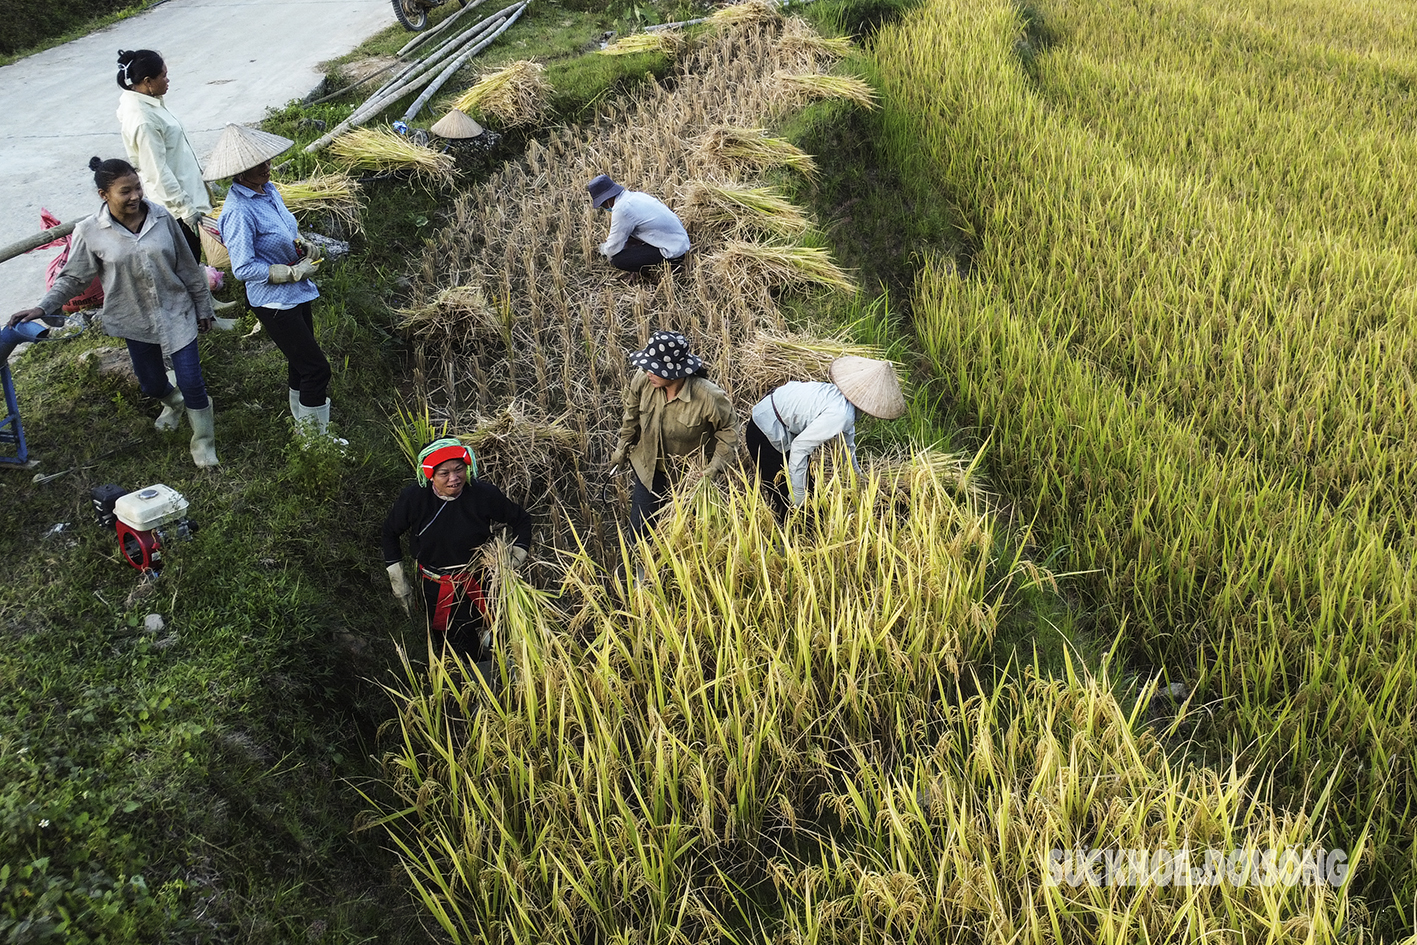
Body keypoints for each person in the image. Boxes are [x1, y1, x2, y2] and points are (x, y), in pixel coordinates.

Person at [9, 157, 218, 467]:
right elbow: (73, 278)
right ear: (103, 195)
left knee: (191, 381)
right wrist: (43, 306)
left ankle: (203, 445)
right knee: (150, 383)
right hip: (133, 318)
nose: (135, 196)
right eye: (125, 191)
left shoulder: (161, 218)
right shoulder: (90, 231)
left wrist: (204, 307)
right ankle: (174, 404)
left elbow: (188, 267)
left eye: (138, 188)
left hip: (177, 311)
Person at [207, 123, 343, 445]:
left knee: (300, 365)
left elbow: (286, 230)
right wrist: (289, 272)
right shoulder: (239, 211)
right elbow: (242, 268)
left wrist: (302, 245)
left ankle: (303, 428)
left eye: (266, 160)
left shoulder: (270, 192)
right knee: (316, 370)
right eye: (258, 164)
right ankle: (316, 443)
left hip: (296, 293)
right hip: (274, 302)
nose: (267, 167)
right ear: (240, 172)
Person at [382, 438, 533, 660]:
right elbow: (389, 533)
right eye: (444, 473)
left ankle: (497, 671)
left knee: (497, 631)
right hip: (436, 587)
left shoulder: (483, 495)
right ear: (430, 475)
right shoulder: (414, 499)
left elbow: (521, 520)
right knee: (448, 641)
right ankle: (460, 679)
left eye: (459, 469)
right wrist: (398, 579)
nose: (454, 478)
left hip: (481, 581)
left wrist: (516, 557)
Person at [610, 330, 738, 540]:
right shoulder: (643, 381)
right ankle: (644, 570)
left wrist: (714, 468)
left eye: (654, 368)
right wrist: (622, 447)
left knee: (691, 534)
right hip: (649, 469)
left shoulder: (708, 396)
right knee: (640, 532)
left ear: (675, 371)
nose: (647, 371)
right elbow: (631, 416)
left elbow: (729, 431)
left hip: (690, 478)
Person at [747, 356, 906, 520]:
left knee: (811, 497)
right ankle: (785, 541)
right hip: (764, 432)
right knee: (787, 499)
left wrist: (858, 478)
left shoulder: (843, 402)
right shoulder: (840, 414)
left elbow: (847, 446)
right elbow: (800, 448)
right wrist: (800, 496)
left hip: (780, 422)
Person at [115, 49, 211, 266]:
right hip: (174, 205)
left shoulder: (150, 102)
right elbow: (156, 170)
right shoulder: (143, 119)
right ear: (148, 81)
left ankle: (204, 297)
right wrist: (184, 207)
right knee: (185, 261)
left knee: (191, 258)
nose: (168, 80)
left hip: (185, 190)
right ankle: (195, 299)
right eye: (164, 75)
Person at [587, 174, 690, 277]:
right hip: (679, 240)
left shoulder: (622, 209)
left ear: (606, 200)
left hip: (673, 251)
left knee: (619, 260)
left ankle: (666, 267)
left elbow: (613, 247)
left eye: (602, 205)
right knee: (628, 237)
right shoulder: (635, 196)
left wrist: (603, 249)